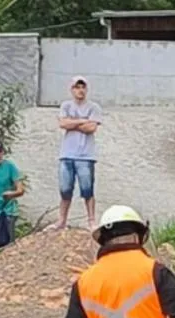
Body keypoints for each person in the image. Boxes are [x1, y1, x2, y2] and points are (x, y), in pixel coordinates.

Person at [56, 76, 102, 232]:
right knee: (65, 189)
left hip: (86, 155)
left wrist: (73, 123)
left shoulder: (94, 107)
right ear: (72, 89)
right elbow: (62, 123)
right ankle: (61, 221)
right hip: (67, 154)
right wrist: (83, 121)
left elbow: (91, 128)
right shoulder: (66, 105)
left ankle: (91, 221)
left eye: (83, 87)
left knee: (87, 189)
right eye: (77, 87)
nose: (80, 90)